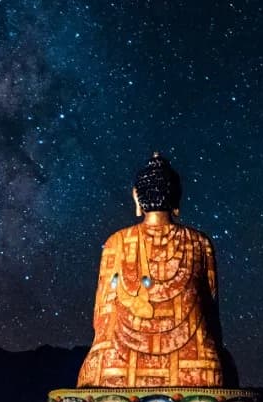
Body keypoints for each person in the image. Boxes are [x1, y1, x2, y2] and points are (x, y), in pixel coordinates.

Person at [77, 153, 235, 388]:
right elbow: (211, 312)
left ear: (137, 198)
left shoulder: (116, 242)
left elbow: (102, 314)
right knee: (217, 369)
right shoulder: (200, 242)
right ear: (176, 199)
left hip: (115, 363)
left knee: (95, 372)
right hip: (198, 366)